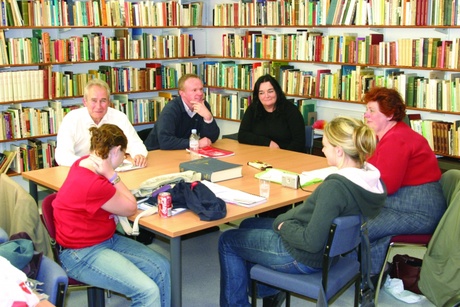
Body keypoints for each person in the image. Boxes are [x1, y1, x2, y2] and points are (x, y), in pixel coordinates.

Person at [218, 116, 387, 307]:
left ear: (339, 151)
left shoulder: (336, 188)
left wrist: (284, 226)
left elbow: (311, 242)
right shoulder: (367, 181)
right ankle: (269, 291)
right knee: (248, 224)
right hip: (328, 252)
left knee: (228, 240)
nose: (322, 150)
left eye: (325, 146)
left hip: (303, 257)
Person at [53, 124, 170, 307]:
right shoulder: (94, 182)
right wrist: (112, 174)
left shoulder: (84, 162)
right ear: (115, 151)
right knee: (147, 292)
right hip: (80, 253)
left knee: (161, 267)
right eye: (124, 154)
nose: (124, 159)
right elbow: (131, 207)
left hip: (103, 239)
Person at [363, 87, 446, 275]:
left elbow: (386, 185)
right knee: (356, 219)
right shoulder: (387, 136)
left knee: (358, 224)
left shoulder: (397, 139)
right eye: (366, 109)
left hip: (418, 210)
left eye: (372, 111)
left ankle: (362, 275)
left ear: (390, 114)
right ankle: (367, 273)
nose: (366, 115)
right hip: (404, 203)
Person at [55, 78, 148, 167]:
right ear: (85, 101)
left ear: (109, 102)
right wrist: (91, 164)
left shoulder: (119, 117)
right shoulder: (72, 119)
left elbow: (136, 144)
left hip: (114, 170)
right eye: (94, 101)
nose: (98, 106)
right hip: (82, 169)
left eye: (103, 101)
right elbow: (62, 156)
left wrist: (138, 155)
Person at [144, 73, 220, 150]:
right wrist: (196, 143)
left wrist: (208, 118)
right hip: (157, 153)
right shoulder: (171, 109)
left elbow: (211, 139)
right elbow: (165, 142)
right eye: (194, 90)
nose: (200, 93)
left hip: (183, 151)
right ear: (182, 93)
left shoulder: (203, 106)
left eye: (201, 89)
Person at [238, 74, 306, 153]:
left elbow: (299, 143)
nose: (266, 96)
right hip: (261, 155)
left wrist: (282, 155)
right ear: (257, 95)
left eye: (270, 91)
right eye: (261, 93)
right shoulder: (253, 109)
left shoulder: (291, 110)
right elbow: (242, 135)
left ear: (277, 91)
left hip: (287, 156)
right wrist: (268, 143)